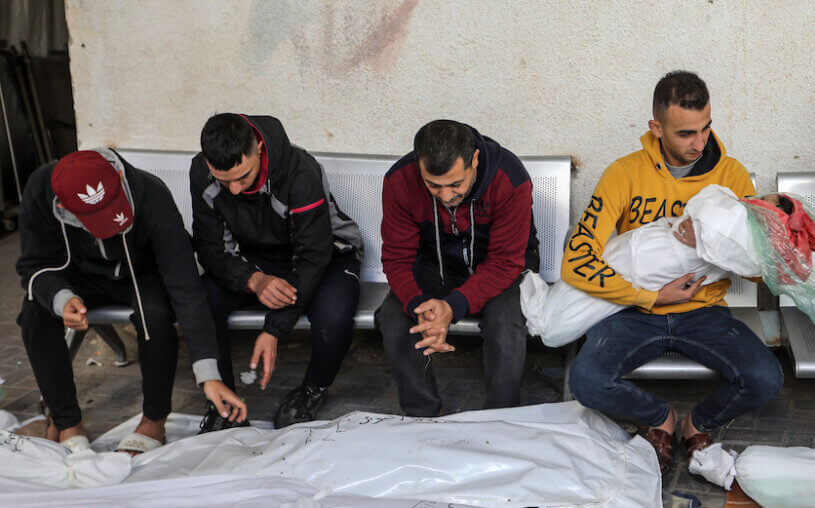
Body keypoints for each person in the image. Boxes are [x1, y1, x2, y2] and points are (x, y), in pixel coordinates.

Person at [564, 71, 783, 472]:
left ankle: (694, 423)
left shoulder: (731, 175)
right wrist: (650, 297)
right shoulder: (624, 173)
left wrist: (718, 243)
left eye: (705, 128)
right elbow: (577, 262)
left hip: (704, 312)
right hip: (633, 312)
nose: (699, 143)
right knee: (586, 381)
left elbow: (758, 272)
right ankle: (657, 416)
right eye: (685, 134)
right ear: (656, 127)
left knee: (766, 378)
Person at [17, 148, 247, 453]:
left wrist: (208, 375)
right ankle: (66, 420)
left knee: (154, 313)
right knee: (35, 313)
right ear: (62, 208)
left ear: (120, 176)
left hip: (140, 272)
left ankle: (154, 419)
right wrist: (62, 298)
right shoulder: (40, 190)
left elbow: (185, 287)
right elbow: (34, 265)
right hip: (77, 274)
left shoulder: (151, 194)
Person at [191, 113, 363, 430]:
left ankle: (313, 388)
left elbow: (313, 257)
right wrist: (253, 279)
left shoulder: (301, 171)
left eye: (243, 177)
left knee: (334, 313)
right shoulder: (201, 171)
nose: (233, 189)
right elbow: (209, 247)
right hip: (258, 260)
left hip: (326, 253)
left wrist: (274, 330)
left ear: (258, 147)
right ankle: (221, 399)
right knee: (202, 298)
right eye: (223, 180)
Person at [376, 120, 537, 417]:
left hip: (503, 266)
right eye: (433, 185)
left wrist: (453, 306)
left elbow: (506, 261)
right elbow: (398, 257)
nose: (446, 196)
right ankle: (421, 414)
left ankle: (500, 419)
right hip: (435, 264)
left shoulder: (510, 178)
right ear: (418, 166)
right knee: (394, 316)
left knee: (505, 323)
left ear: (475, 160)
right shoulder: (399, 180)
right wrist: (418, 305)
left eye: (455, 184)